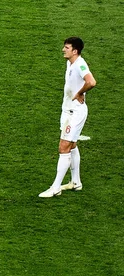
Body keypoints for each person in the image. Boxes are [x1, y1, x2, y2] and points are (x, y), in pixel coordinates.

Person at [39, 37, 97, 198]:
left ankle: (55, 187)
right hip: (67, 111)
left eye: (66, 47)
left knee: (63, 147)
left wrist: (79, 92)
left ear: (75, 51)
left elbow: (91, 82)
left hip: (75, 113)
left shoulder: (80, 64)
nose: (63, 50)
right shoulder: (70, 62)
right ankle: (75, 182)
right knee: (71, 145)